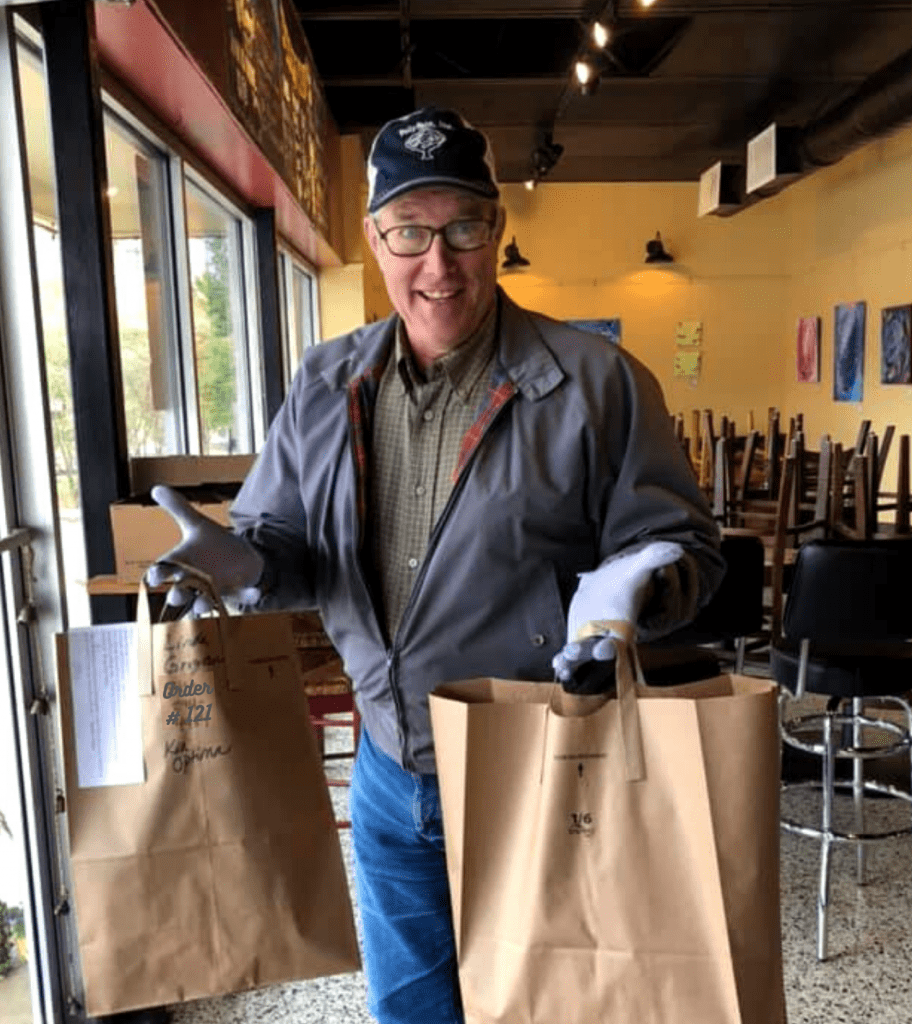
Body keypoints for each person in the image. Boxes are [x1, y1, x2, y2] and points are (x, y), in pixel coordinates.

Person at [147, 106, 725, 1024]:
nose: (438, 263)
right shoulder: (325, 381)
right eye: (410, 231)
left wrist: (634, 590)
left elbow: (689, 549)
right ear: (375, 238)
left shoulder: (598, 382)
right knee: (412, 1011)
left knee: (554, 1003)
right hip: (386, 769)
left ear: (496, 231)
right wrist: (243, 560)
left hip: (543, 766)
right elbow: (293, 554)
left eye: (463, 227)